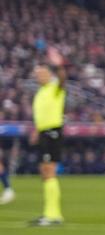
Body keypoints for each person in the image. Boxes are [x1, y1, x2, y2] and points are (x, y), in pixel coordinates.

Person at [27, 49, 68, 226]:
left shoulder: (55, 88)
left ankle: (53, 215)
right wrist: (36, 131)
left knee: (49, 171)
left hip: (53, 132)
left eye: (42, 73)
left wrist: (59, 64)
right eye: (37, 74)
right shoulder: (40, 93)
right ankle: (51, 213)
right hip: (44, 133)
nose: (39, 76)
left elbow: (63, 79)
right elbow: (41, 115)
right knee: (44, 172)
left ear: (49, 74)